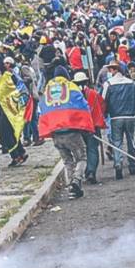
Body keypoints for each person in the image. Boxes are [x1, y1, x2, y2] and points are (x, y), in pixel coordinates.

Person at [38, 67, 94, 199]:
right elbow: (83, 106)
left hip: (56, 133)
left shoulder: (47, 91)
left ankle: (72, 190)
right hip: (71, 131)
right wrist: (87, 126)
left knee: (67, 161)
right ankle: (76, 180)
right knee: (81, 158)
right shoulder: (71, 87)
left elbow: (42, 110)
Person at [102, 61, 135, 179]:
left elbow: (103, 101)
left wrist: (105, 114)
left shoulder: (108, 84)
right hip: (130, 116)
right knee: (131, 141)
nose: (110, 71)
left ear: (116, 70)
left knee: (117, 142)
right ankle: (132, 165)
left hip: (115, 117)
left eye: (112, 69)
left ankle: (118, 164)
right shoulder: (131, 83)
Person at [73, 71, 106, 184]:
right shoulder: (93, 93)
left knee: (81, 152)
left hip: (79, 128)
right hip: (92, 127)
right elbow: (102, 106)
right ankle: (91, 172)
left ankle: (83, 173)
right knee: (92, 150)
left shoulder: (72, 96)